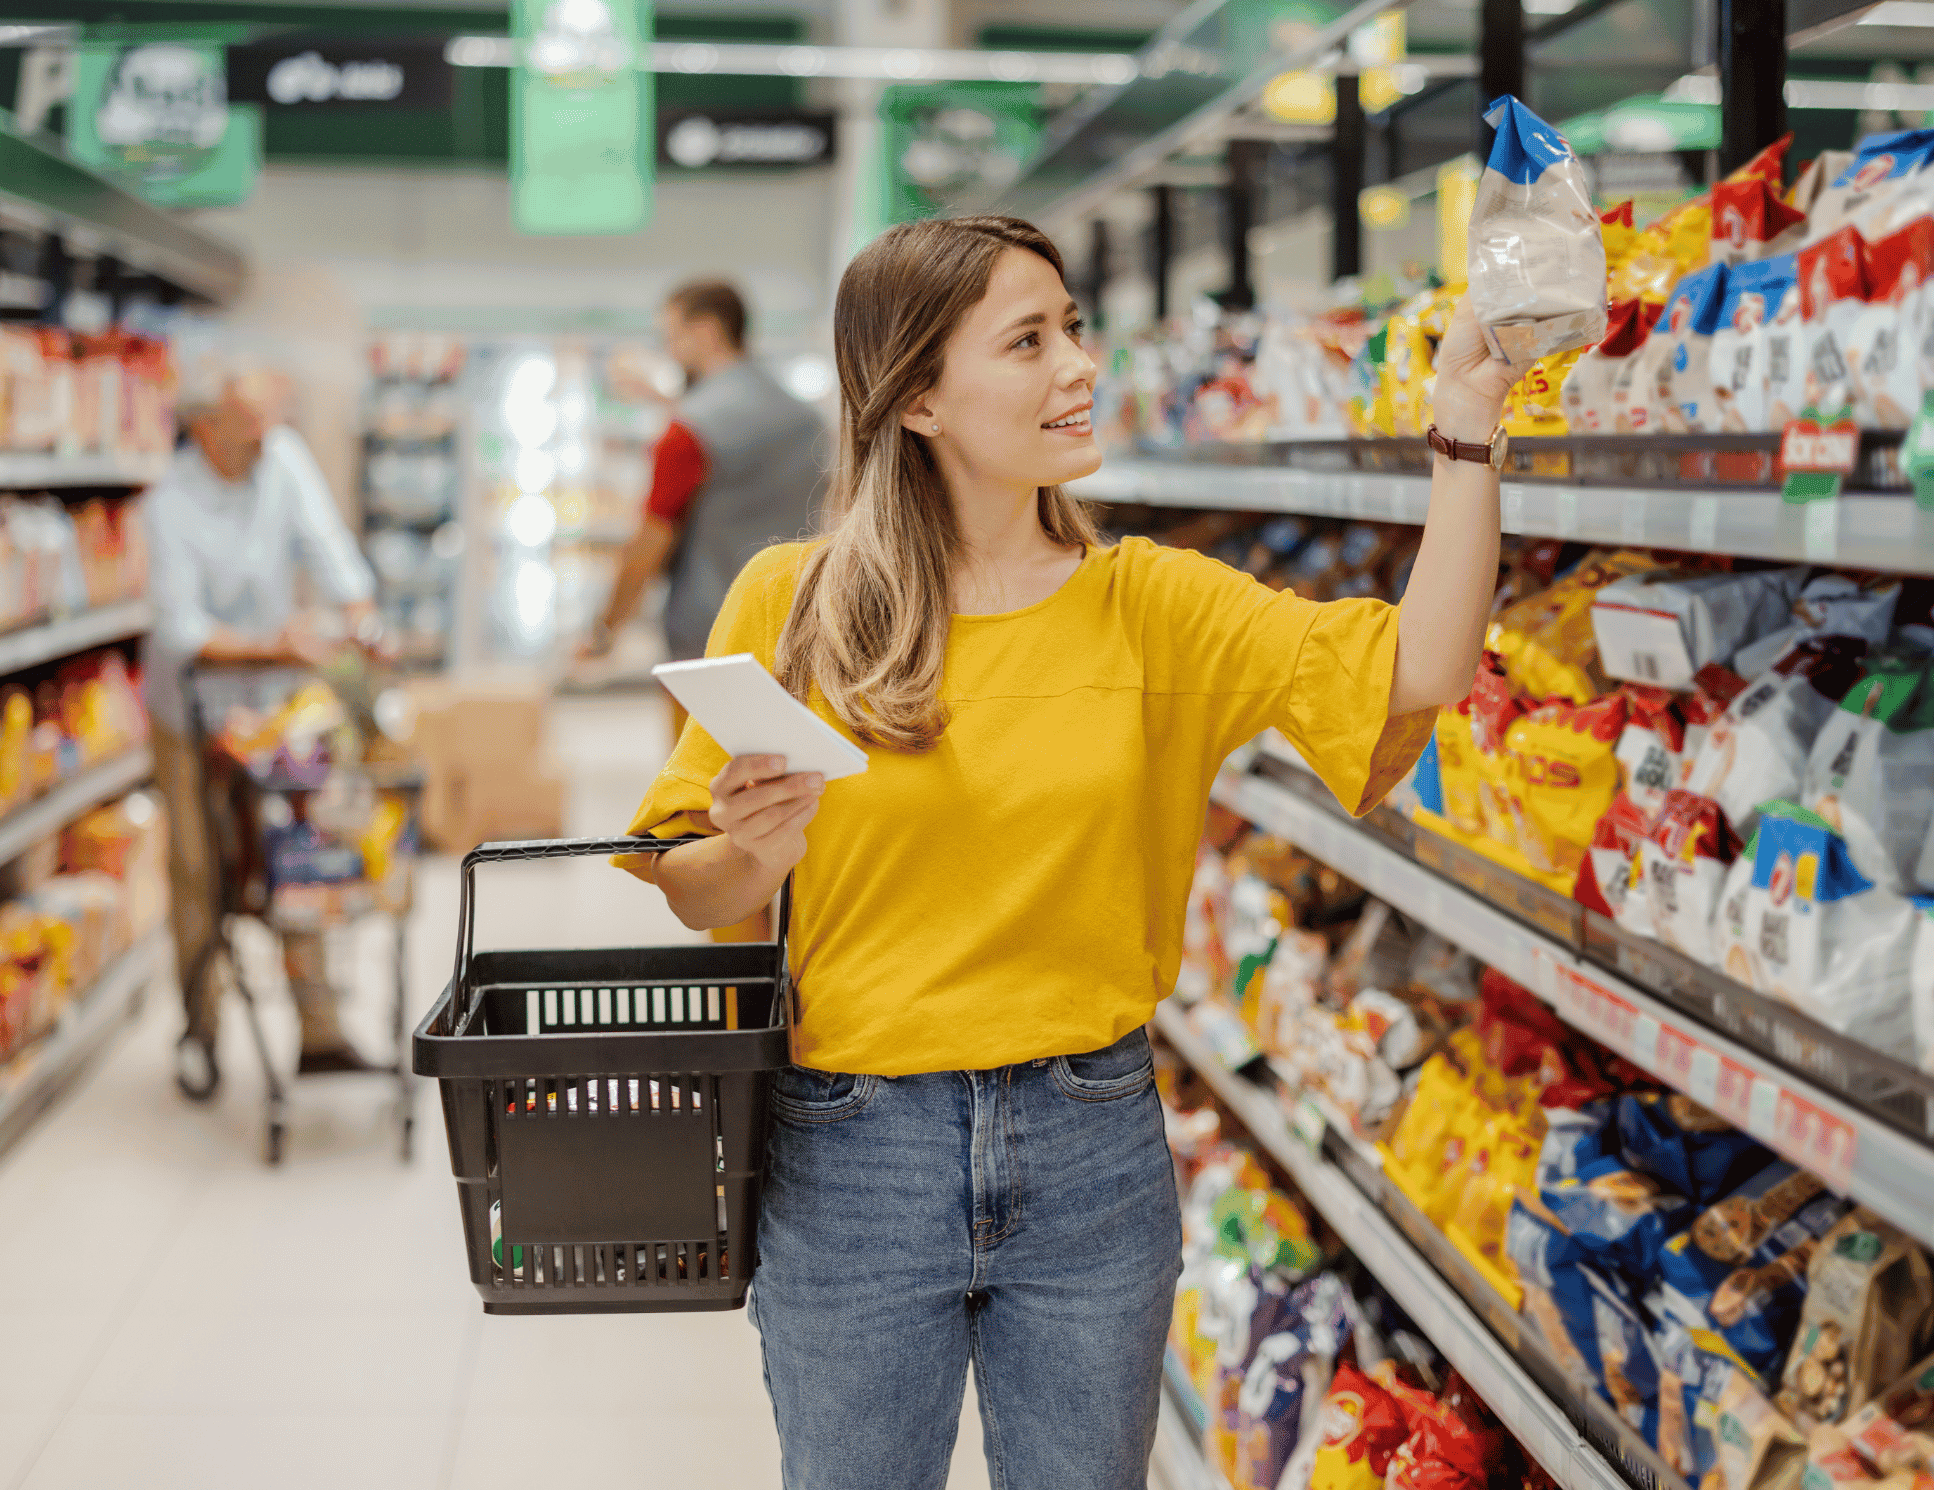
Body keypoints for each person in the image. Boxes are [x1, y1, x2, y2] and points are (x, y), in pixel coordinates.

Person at [614, 216, 1525, 1488]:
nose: (1079, 367)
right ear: (919, 396)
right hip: (853, 1150)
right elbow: (685, 877)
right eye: (1028, 340)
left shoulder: (1152, 603)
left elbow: (1419, 668)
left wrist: (1465, 428)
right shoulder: (796, 600)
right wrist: (748, 854)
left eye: (1074, 329)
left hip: (1090, 1142)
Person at [143, 373, 385, 1101]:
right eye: (248, 430)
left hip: (272, 714)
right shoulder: (169, 506)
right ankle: (200, 1030)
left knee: (299, 852)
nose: (264, 441)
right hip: (191, 714)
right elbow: (184, 632)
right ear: (207, 430)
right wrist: (279, 645)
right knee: (199, 870)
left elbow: (331, 550)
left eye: (268, 427)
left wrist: (362, 619)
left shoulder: (279, 459)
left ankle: (321, 1033)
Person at [580, 278, 826, 727]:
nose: (669, 351)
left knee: (700, 786)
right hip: (799, 636)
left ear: (708, 331)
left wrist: (605, 628)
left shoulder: (687, 432)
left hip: (708, 645)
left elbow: (649, 543)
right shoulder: (807, 421)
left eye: (672, 336)